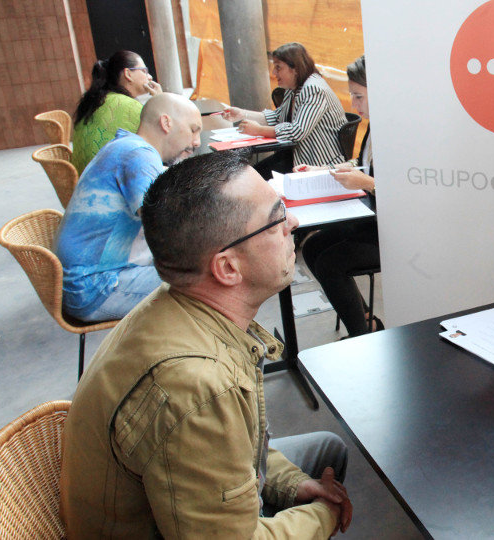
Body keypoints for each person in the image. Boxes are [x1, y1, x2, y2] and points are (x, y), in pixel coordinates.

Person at [59, 149, 353, 538]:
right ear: (228, 267)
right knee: (327, 469)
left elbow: (244, 448)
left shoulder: (174, 302)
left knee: (327, 450)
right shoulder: (198, 385)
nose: (293, 223)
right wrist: (324, 516)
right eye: (277, 218)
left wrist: (291, 485)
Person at [54, 93, 201, 322]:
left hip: (86, 280)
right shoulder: (138, 155)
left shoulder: (127, 145)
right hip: (96, 287)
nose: (197, 142)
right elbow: (166, 227)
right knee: (210, 278)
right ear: (166, 123)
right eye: (193, 129)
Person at [297, 55, 382, 336]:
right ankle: (365, 320)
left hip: (394, 231)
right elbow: (364, 168)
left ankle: (361, 335)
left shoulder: (400, 132)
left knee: (331, 262)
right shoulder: (374, 125)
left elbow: (408, 195)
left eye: (359, 96)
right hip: (371, 219)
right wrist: (324, 170)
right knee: (311, 247)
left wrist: (367, 181)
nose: (354, 105)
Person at [221, 42, 347, 173]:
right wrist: (242, 114)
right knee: (252, 174)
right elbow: (277, 117)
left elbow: (297, 131)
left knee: (255, 177)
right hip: (295, 157)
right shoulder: (293, 87)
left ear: (295, 69)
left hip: (317, 162)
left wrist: (259, 130)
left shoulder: (313, 88)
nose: (274, 72)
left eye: (278, 67)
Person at [71, 50, 162, 174]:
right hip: (110, 184)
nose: (150, 77)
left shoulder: (96, 100)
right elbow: (162, 141)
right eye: (144, 71)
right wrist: (160, 100)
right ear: (128, 74)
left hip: (86, 180)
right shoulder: (129, 106)